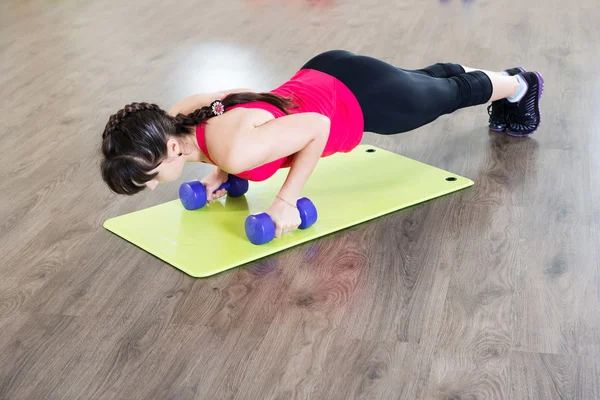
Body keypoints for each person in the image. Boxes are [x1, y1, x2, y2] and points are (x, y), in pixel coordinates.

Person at [100, 50, 544, 238]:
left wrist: (285, 201)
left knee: (448, 97)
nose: (154, 186)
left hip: (358, 101)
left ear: (171, 150)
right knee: (425, 83)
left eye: (149, 178)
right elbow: (245, 108)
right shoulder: (182, 116)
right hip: (324, 71)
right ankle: (486, 82)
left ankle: (521, 85)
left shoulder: (231, 150)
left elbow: (315, 127)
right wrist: (221, 169)